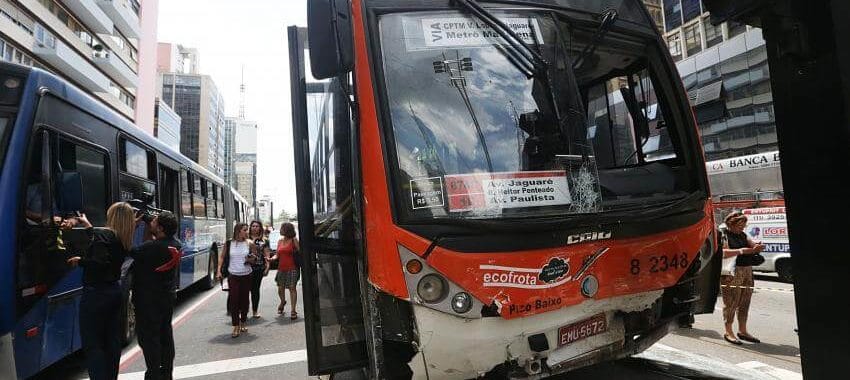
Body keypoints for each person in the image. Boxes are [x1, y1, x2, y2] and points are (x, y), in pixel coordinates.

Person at [66, 203, 135, 380]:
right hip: (114, 292)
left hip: (96, 295)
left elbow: (100, 262)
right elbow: (104, 245)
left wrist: (80, 260)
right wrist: (88, 226)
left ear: (113, 217)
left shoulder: (105, 234)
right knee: (111, 342)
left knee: (93, 344)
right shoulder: (123, 238)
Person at [129, 211, 182, 380]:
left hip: (147, 301)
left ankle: (153, 374)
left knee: (148, 339)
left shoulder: (150, 248)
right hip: (166, 297)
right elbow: (152, 246)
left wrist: (132, 226)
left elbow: (127, 248)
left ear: (160, 228)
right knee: (165, 334)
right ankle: (166, 373)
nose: (150, 222)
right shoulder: (176, 244)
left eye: (154, 222)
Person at [720, 211, 765, 345]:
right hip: (732, 271)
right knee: (731, 302)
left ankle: (742, 330)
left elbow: (751, 244)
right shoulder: (723, 235)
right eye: (740, 225)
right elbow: (723, 253)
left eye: (744, 226)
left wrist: (757, 246)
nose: (742, 228)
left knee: (745, 301)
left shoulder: (743, 235)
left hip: (747, 270)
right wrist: (743, 251)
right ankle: (729, 331)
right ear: (730, 224)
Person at [217, 223, 256, 337]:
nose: (247, 232)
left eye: (247, 230)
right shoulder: (229, 243)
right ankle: (235, 326)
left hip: (246, 275)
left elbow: (255, 259)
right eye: (245, 230)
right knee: (234, 300)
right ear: (238, 231)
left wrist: (251, 259)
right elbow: (222, 257)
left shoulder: (250, 243)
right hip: (233, 275)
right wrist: (219, 270)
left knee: (244, 300)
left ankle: (243, 321)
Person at [272, 222, 300, 320]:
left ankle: (293, 310)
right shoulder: (280, 241)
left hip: (292, 268)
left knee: (292, 288)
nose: (280, 230)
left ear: (287, 230)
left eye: (282, 228)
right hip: (281, 268)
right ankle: (283, 301)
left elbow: (300, 252)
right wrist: (271, 258)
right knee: (280, 289)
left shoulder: (294, 240)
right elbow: (277, 255)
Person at [248, 221, 271, 319]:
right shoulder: (245, 239)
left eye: (257, 226)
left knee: (255, 290)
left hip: (258, 268)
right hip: (245, 268)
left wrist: (267, 266)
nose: (255, 228)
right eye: (253, 226)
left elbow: (267, 255)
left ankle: (255, 311)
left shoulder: (264, 240)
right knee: (245, 290)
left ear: (260, 228)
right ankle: (242, 311)